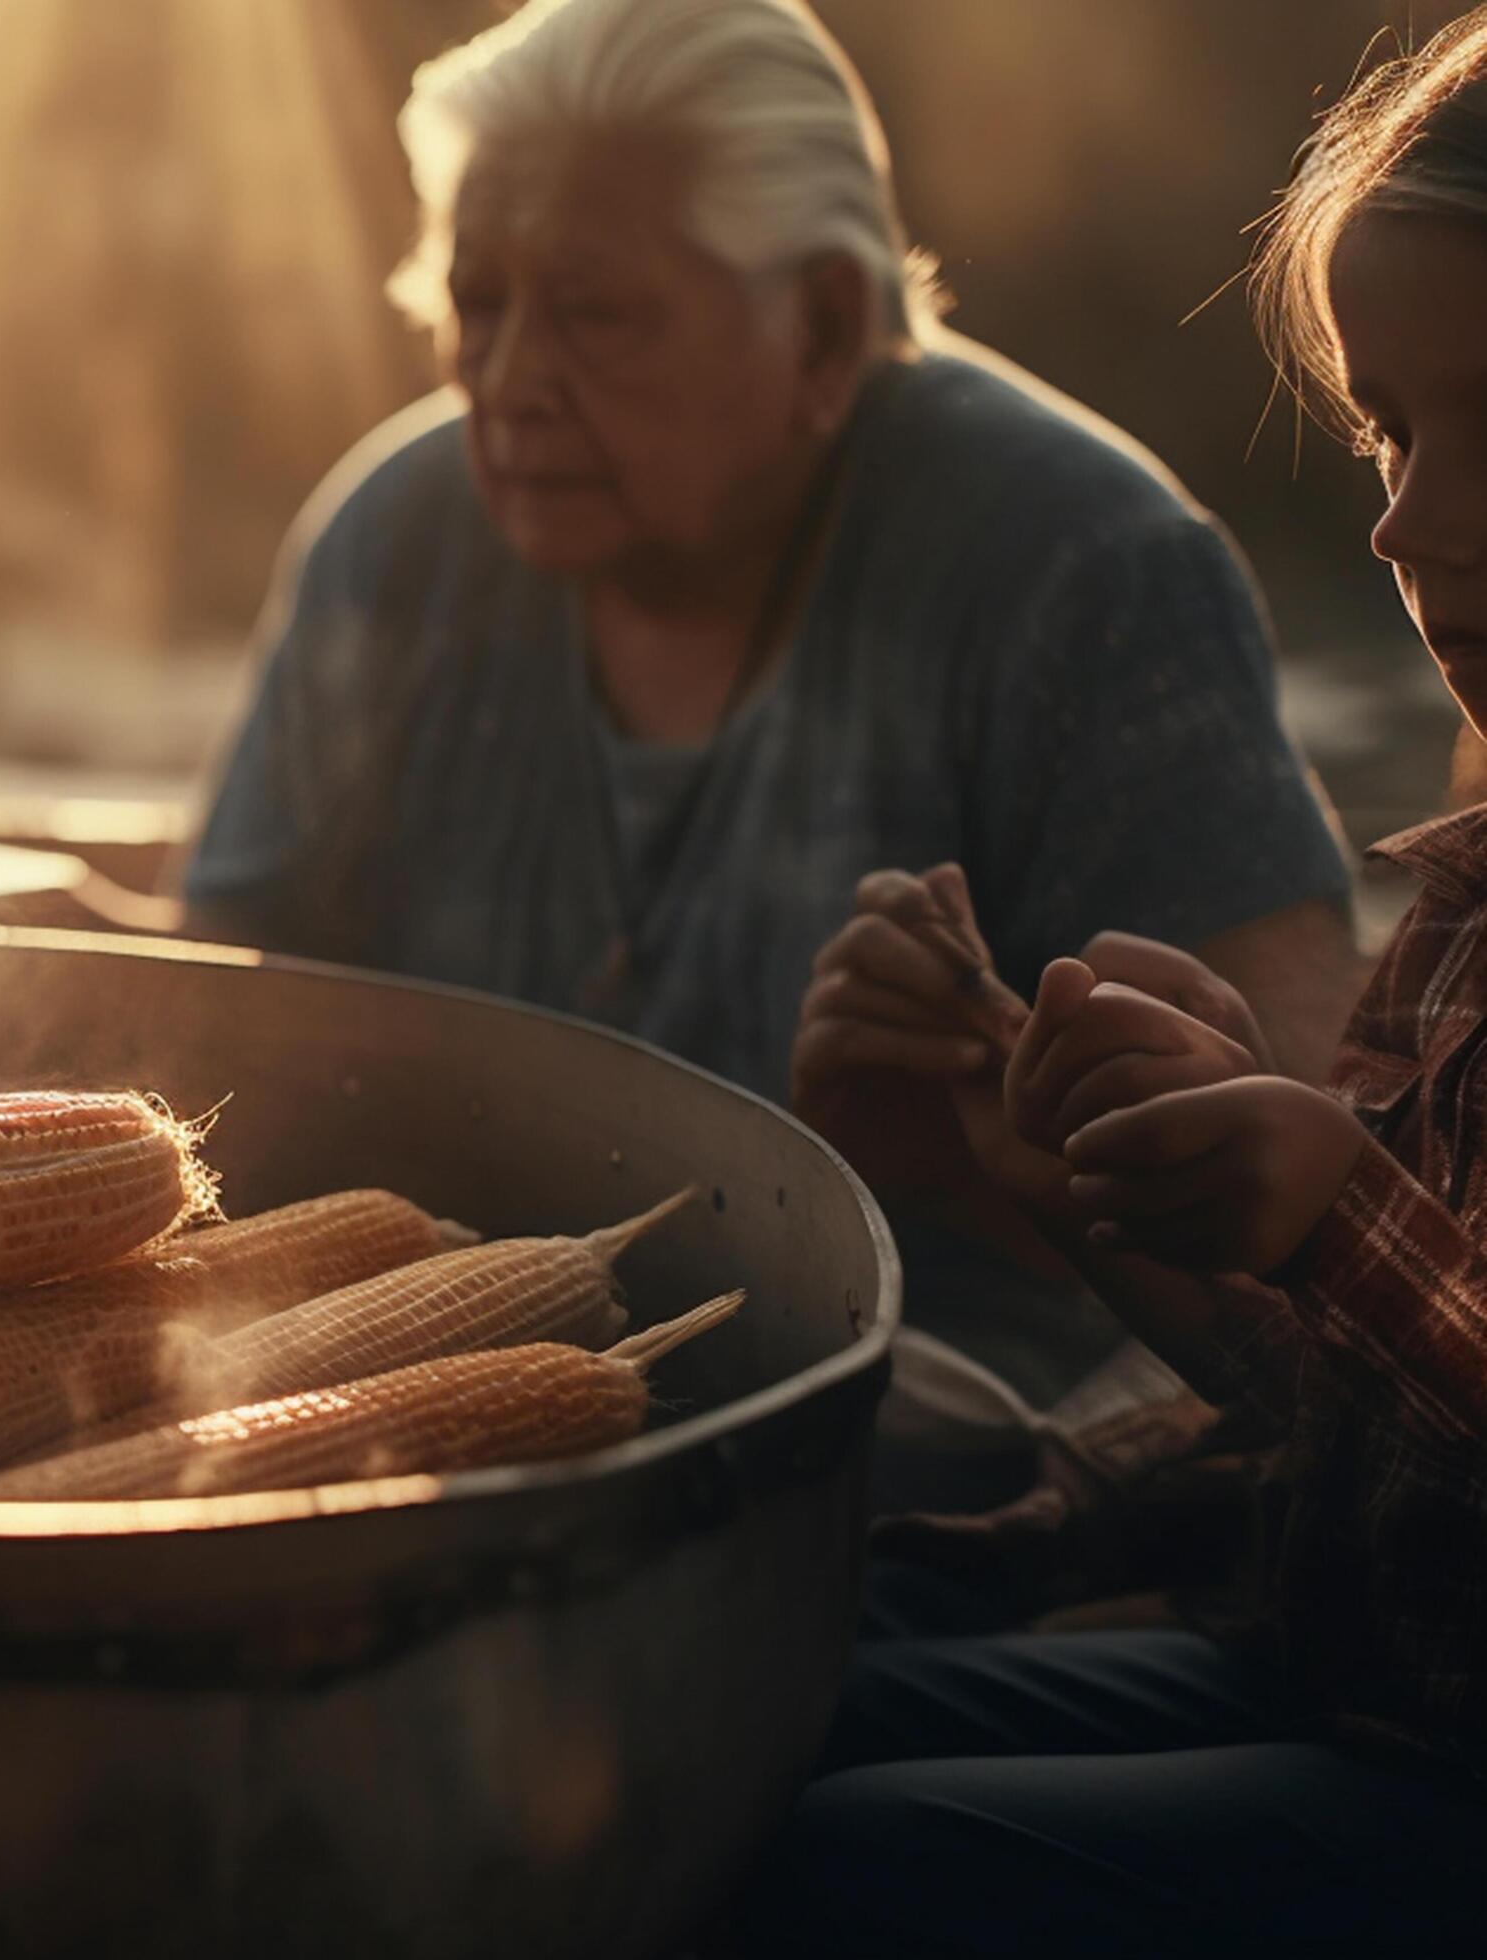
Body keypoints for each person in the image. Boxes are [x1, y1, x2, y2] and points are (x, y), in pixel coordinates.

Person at [179, 0, 1362, 1414]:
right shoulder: (394, 538)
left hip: (932, 1428)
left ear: (820, 325)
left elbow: (1302, 1191)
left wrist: (1004, 1148)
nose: (504, 383)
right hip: (420, 1389)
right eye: (473, 302)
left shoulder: (1083, 568)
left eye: (594, 313)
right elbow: (228, 1017)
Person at [745, 16, 1487, 1953]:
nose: (1404, 526)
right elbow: (1370, 1433)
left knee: (863, 1860)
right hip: (1362, 1681)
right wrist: (1051, 1181)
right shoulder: (1472, 891)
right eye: (1385, 430)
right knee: (743, 1718)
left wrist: (1338, 1213)